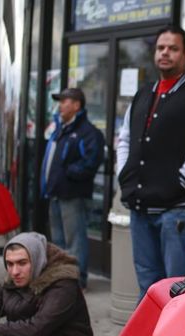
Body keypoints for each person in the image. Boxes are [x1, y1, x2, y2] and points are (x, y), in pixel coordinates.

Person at [116, 24, 185, 301]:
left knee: (178, 289)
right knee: (148, 287)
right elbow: (125, 138)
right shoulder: (143, 94)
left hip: (177, 212)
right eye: (161, 48)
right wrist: (123, 174)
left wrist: (180, 181)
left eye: (173, 48)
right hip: (140, 209)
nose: (165, 53)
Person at [40, 87, 105, 289]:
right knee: (58, 241)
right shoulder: (62, 129)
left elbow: (91, 161)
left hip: (72, 195)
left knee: (74, 241)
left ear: (76, 105)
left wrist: (68, 173)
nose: (60, 105)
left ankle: (76, 281)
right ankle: (61, 280)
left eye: (64, 101)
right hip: (56, 194)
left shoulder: (88, 132)